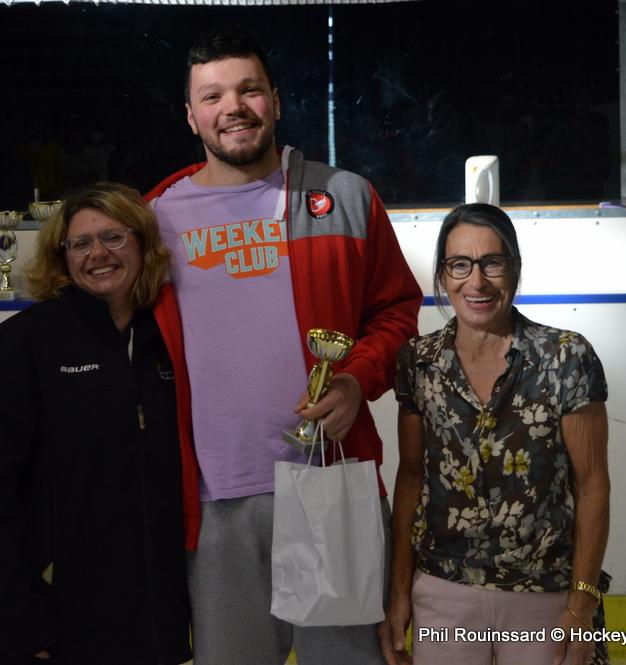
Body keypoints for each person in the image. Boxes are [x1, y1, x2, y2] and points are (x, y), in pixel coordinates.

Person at [146, 26, 423, 665]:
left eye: (248, 89)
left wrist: (355, 380)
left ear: (275, 99)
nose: (233, 107)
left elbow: (398, 312)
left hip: (332, 488)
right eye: (212, 96)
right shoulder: (154, 217)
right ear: (191, 116)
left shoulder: (344, 198)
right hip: (215, 507)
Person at [0, 182, 192, 665]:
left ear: (143, 245)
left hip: (150, 622)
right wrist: (18, 619)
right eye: (81, 243)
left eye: (114, 237)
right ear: (61, 257)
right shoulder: (20, 346)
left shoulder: (168, 341)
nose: (97, 254)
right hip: (51, 623)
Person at [379, 203, 610, 665]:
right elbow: (410, 481)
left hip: (544, 597)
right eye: (460, 264)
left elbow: (592, 486)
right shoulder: (418, 362)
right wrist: (399, 593)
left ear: (515, 269)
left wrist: (582, 603)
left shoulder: (565, 358)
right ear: (443, 277)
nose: (477, 281)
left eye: (493, 262)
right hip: (443, 595)